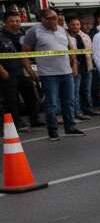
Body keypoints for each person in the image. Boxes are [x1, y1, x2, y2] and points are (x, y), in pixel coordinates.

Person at [24, 8, 83, 140]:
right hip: (48, 74)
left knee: (69, 101)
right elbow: (24, 53)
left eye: (55, 18)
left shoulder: (62, 30)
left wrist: (74, 65)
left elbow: (70, 48)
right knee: (52, 103)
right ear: (42, 19)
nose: (54, 21)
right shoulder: (34, 31)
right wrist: (30, 71)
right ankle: (53, 130)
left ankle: (70, 127)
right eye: (49, 19)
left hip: (66, 72)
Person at [1, 12, 41, 132]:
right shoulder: (1, 36)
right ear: (5, 23)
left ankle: (35, 120)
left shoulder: (23, 35)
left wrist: (30, 71)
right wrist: (2, 71)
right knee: (11, 100)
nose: (15, 23)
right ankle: (15, 124)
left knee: (31, 95)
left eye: (17, 21)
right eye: (12, 21)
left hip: (21, 71)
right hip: (7, 72)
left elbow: (24, 55)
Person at [65, 17, 94, 120]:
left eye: (77, 24)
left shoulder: (85, 36)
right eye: (73, 24)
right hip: (74, 67)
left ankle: (88, 109)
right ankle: (77, 112)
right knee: (75, 91)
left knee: (86, 90)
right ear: (68, 25)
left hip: (87, 66)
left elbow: (90, 51)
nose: (76, 26)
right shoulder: (65, 37)